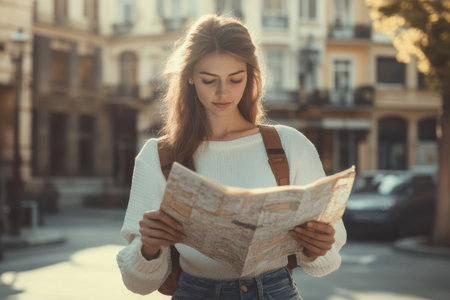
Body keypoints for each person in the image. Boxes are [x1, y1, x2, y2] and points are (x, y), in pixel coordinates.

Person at [117, 15, 346, 300]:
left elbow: (327, 260)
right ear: (189, 77)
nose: (223, 92)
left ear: (250, 75)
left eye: (235, 79)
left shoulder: (290, 146)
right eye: (209, 80)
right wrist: (148, 248)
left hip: (276, 292)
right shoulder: (159, 156)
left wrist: (319, 246)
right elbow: (137, 284)